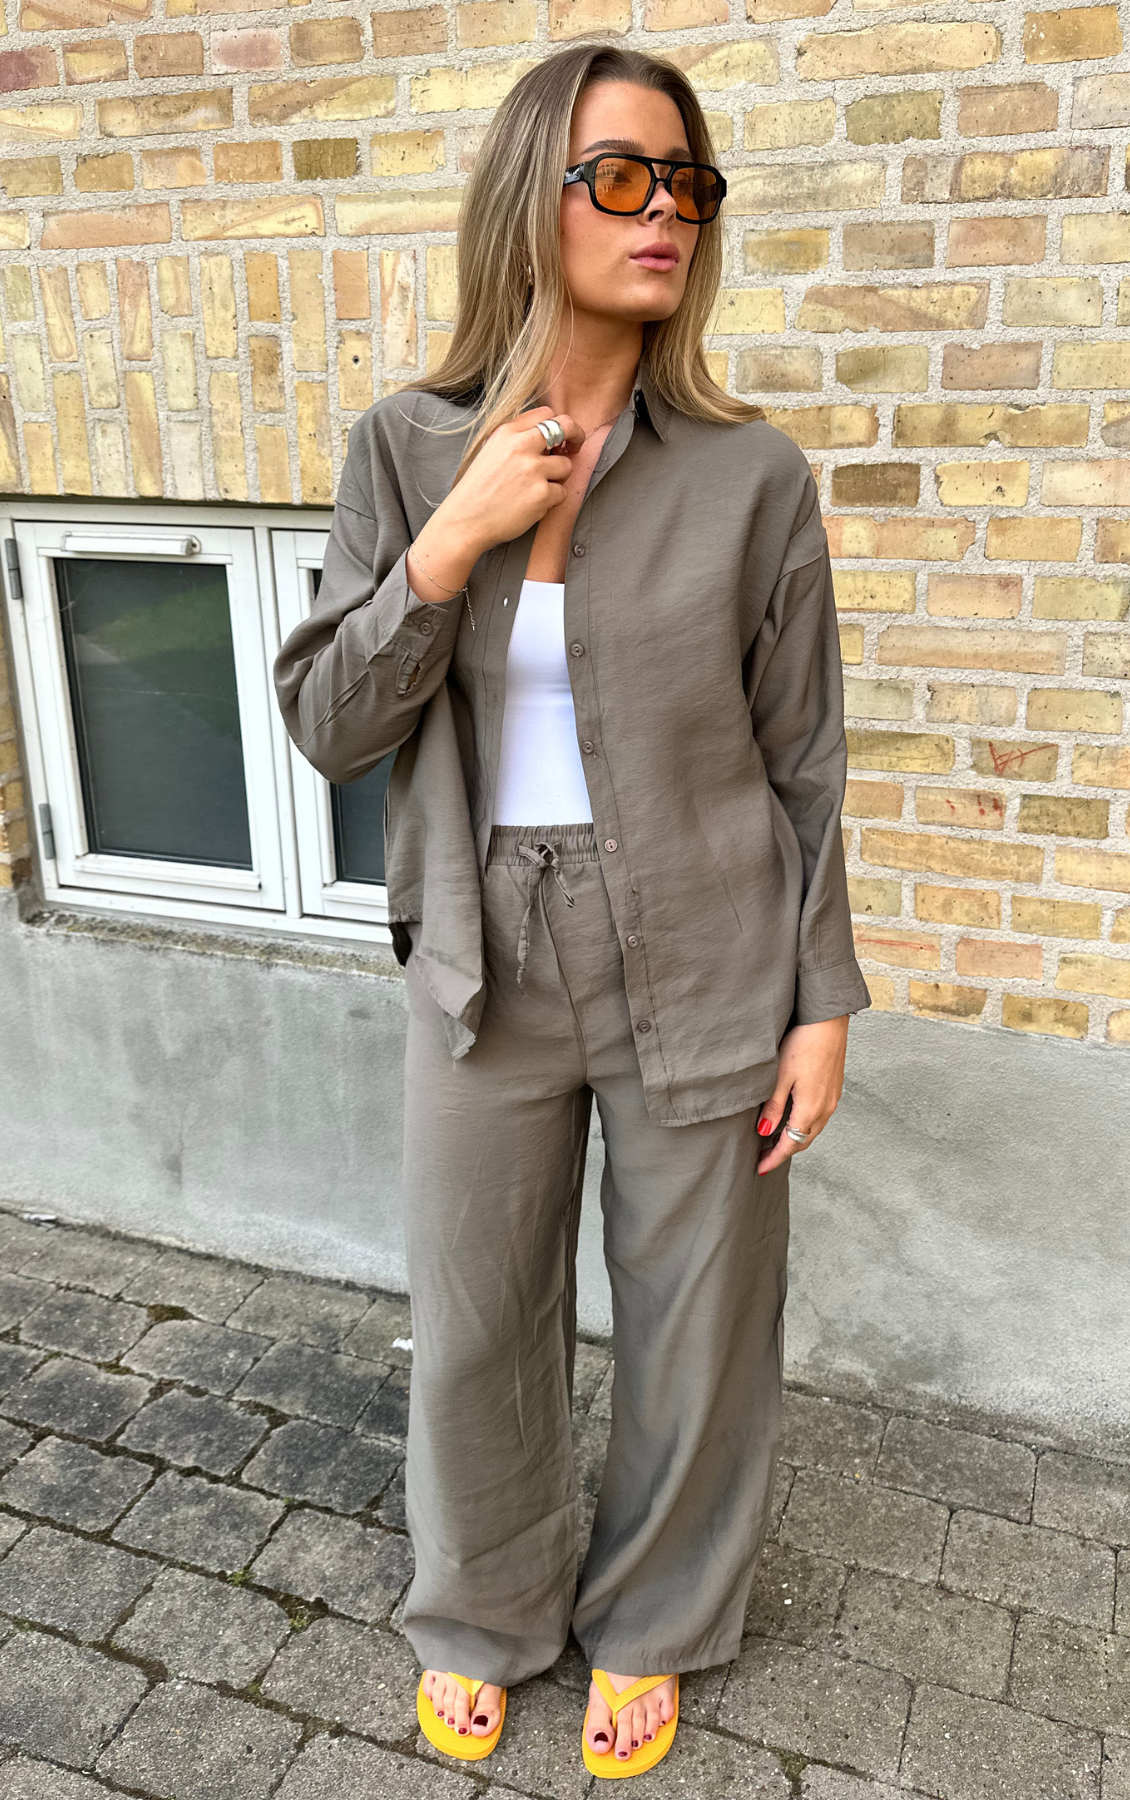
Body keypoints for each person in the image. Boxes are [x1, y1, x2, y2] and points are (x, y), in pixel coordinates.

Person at [273, 39, 871, 1782]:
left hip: (710, 943)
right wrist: (447, 543)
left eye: (688, 182)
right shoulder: (406, 447)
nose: (664, 211)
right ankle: (482, 1609)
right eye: (621, 175)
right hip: (482, 952)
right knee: (475, 1319)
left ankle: (660, 1618)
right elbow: (328, 727)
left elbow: (806, 757)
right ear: (529, 198)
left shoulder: (750, 476)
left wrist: (823, 1001)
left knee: (698, 1318)